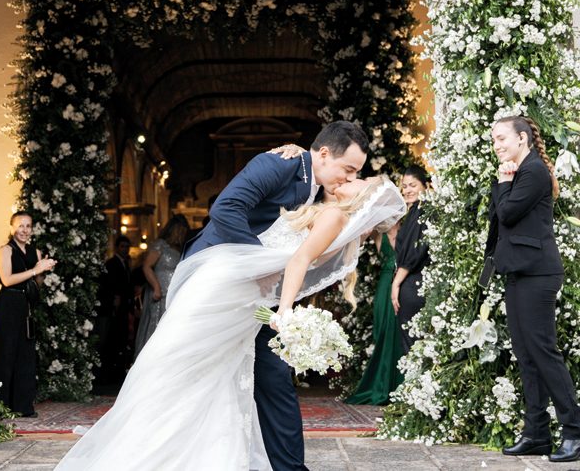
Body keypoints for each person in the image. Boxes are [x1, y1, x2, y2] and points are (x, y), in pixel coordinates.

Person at [54, 175, 406, 470]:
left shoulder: (335, 217)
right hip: (237, 287)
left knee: (191, 364)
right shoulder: (332, 216)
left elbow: (299, 259)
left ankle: (169, 447)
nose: (350, 178)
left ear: (363, 198)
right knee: (194, 364)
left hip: (235, 288)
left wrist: (284, 311)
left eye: (360, 179)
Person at [183, 120, 369, 471]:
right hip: (221, 284)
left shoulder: (319, 187)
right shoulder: (277, 164)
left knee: (272, 377)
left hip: (257, 299)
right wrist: (259, 266)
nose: (350, 178)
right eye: (348, 169)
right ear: (324, 154)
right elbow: (225, 209)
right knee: (204, 375)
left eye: (356, 173)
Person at [487, 116, 580, 463]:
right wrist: (506, 182)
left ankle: (575, 432)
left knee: (543, 351)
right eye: (494, 140)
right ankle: (537, 433)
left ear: (522, 138)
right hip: (519, 271)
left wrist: (503, 182)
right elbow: (501, 218)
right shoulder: (522, 172)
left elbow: (507, 214)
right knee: (526, 355)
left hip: (538, 274)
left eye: (502, 138)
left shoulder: (534, 171)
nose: (497, 145)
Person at [0, 211, 56, 417]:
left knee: (25, 356)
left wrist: (43, 270)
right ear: (12, 228)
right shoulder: (5, 250)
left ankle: (23, 406)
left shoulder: (35, 252)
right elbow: (7, 280)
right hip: (7, 306)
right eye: (20, 225)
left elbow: (37, 283)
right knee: (5, 354)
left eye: (28, 226)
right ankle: (0, 406)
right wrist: (35, 270)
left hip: (25, 307)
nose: (24, 230)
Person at [345, 223, 403, 405]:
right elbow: (352, 247)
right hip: (386, 284)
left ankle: (401, 386)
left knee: (401, 331)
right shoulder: (378, 233)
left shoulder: (409, 227)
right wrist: (364, 233)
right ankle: (382, 384)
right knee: (383, 330)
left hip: (405, 282)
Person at [134, 215, 189, 357]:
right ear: (174, 230)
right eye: (180, 231)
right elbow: (147, 266)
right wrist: (156, 287)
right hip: (160, 295)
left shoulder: (180, 249)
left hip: (174, 296)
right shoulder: (161, 245)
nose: (182, 235)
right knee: (157, 327)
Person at [391, 165, 430, 354]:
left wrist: (396, 283)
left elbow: (413, 252)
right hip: (419, 283)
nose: (407, 190)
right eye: (404, 186)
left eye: (413, 185)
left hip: (413, 284)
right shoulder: (414, 213)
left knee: (413, 347)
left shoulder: (422, 212)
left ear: (426, 186)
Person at [97, 236, 134, 382]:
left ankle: (116, 371)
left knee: (120, 338)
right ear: (117, 247)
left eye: (127, 246)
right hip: (114, 306)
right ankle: (109, 372)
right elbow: (110, 283)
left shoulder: (125, 263)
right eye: (122, 246)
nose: (125, 249)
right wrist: (115, 298)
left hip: (122, 306)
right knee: (112, 338)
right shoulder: (112, 263)